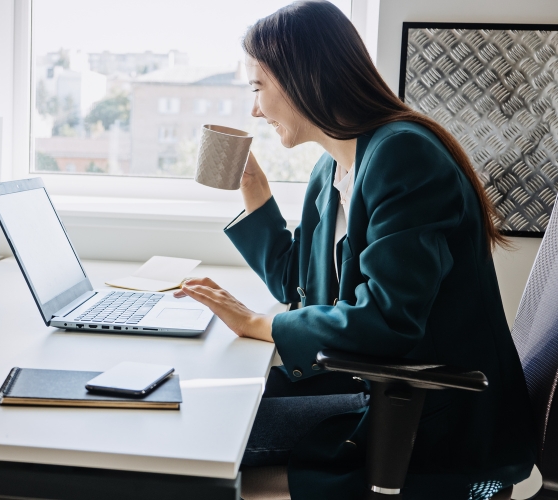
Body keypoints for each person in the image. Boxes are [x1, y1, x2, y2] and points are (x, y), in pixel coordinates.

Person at [173, 1, 537, 499]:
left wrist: (260, 324)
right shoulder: (332, 171)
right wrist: (254, 190)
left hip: (425, 413)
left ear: (303, 78)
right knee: (199, 398)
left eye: (258, 88)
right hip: (370, 386)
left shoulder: (403, 155)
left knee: (205, 430)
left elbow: (389, 319)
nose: (254, 110)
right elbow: (298, 286)